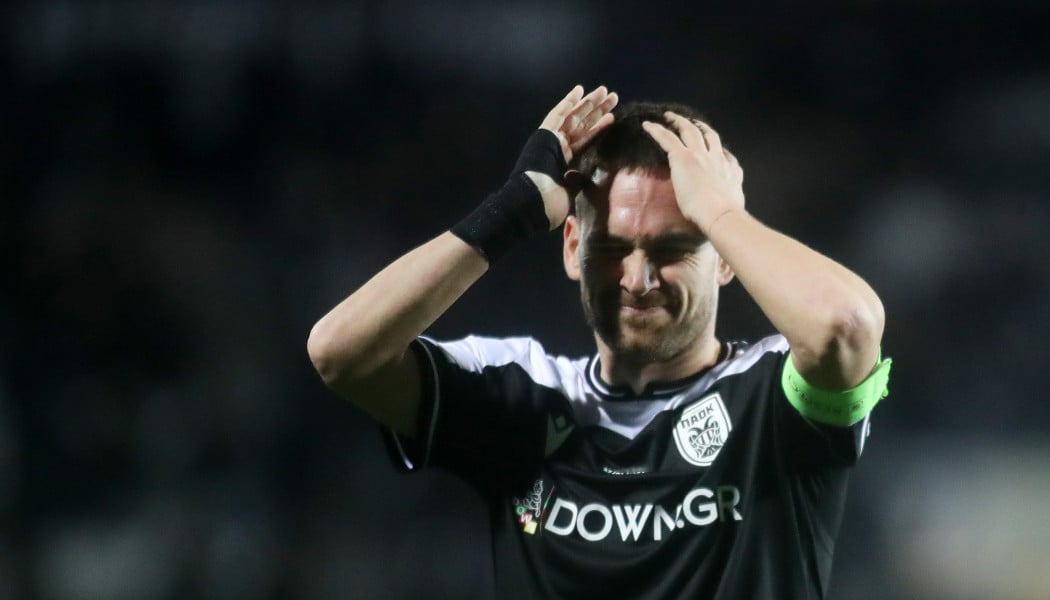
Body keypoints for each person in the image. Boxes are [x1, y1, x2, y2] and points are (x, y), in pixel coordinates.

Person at [307, 84, 891, 599]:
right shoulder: (521, 392)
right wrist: (510, 211)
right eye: (611, 250)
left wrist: (719, 213)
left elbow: (846, 326)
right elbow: (340, 352)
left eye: (673, 249)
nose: (638, 280)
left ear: (724, 260)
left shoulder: (775, 397)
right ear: (571, 249)